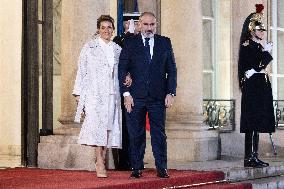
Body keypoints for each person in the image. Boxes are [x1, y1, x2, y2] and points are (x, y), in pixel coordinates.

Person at [118, 12, 177, 178]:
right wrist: (126, 94)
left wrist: (170, 92)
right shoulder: (130, 43)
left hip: (158, 97)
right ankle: (136, 168)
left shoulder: (165, 42)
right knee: (136, 133)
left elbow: (171, 70)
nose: (149, 28)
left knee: (159, 134)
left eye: (152, 25)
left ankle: (162, 168)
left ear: (156, 25)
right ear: (139, 25)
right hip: (135, 97)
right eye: (146, 24)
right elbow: (122, 68)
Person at [72, 15, 131, 178]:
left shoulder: (117, 49)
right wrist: (78, 94)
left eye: (109, 27)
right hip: (94, 94)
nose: (106, 30)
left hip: (112, 94)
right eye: (103, 27)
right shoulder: (89, 47)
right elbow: (81, 70)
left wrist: (128, 76)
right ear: (98, 29)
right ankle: (99, 162)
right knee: (97, 126)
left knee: (107, 128)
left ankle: (101, 158)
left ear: (113, 29)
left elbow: (123, 70)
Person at [238, 4, 275, 168]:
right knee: (252, 121)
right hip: (253, 87)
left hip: (260, 86)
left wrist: (265, 51)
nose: (262, 33)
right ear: (252, 30)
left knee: (258, 121)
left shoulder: (258, 46)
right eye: (260, 30)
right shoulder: (248, 46)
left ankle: (254, 155)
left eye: (263, 30)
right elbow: (260, 64)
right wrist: (267, 52)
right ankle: (249, 157)